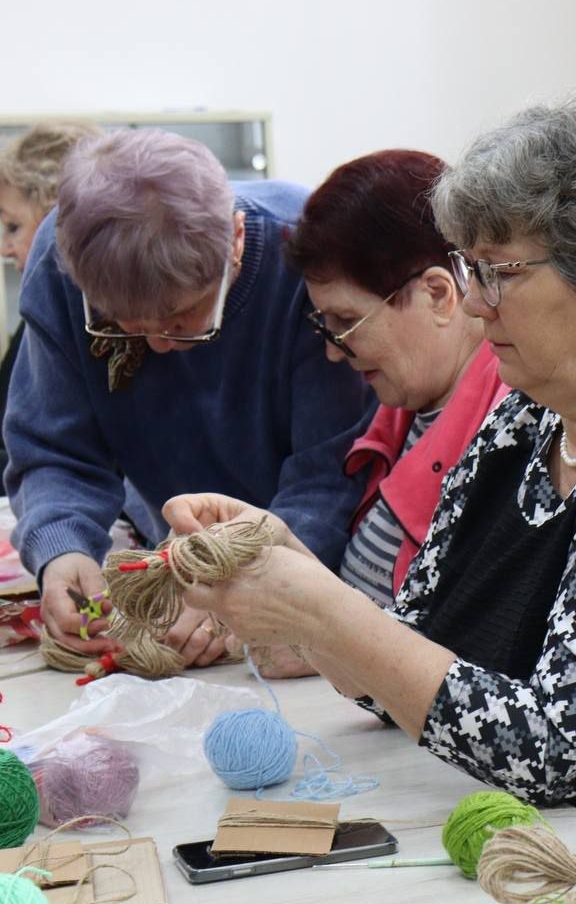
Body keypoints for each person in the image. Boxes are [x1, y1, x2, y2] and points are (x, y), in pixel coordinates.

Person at [165, 87, 576, 829]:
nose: (474, 302)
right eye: (471, 268)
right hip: (550, 839)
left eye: (501, 272)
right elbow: (408, 665)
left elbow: (553, 751)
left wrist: (320, 611)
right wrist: (287, 564)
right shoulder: (528, 417)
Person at [3, 129, 374, 669]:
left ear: (236, 241)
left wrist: (241, 586)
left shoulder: (308, 254)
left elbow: (329, 477)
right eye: (124, 325)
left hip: (306, 576)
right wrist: (63, 549)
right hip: (178, 568)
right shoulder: (64, 261)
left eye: (181, 319)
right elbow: (53, 449)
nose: (157, 346)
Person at [252, 149, 505, 678]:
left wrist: (322, 641)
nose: (332, 352)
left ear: (437, 294)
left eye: (345, 322)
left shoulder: (508, 431)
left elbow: (473, 647)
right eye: (323, 325)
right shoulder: (404, 408)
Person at [0, 123, 101, 476]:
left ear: (55, 221)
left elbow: (56, 455)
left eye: (13, 227)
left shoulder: (95, 323)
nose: (6, 248)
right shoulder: (42, 314)